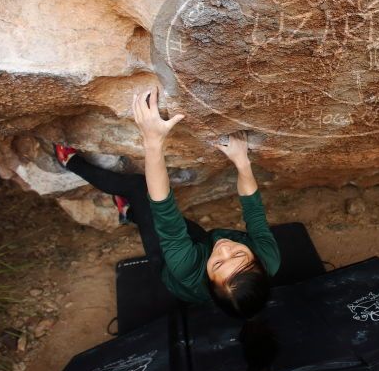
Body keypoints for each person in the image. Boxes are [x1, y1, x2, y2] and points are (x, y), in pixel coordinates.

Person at [55, 86, 280, 319]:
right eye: (238, 255)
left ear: (208, 279)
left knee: (137, 188)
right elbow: (254, 211)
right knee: (168, 222)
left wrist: (152, 140)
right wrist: (242, 162)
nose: (224, 248)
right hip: (201, 245)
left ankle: (70, 163)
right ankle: (128, 213)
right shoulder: (269, 257)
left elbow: (164, 210)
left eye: (218, 264)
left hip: (165, 263)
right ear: (259, 261)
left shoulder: (185, 267)